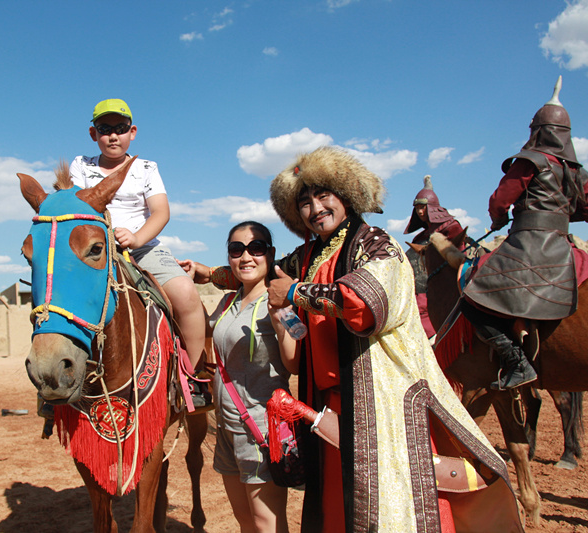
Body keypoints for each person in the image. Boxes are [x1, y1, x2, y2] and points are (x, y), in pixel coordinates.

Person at [200, 147, 522, 531]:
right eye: (304, 202)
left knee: (390, 503)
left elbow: (366, 303)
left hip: (379, 400)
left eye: (323, 196)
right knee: (339, 506)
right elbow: (262, 271)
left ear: (345, 196)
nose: (315, 208)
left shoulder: (376, 243)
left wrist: (296, 294)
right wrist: (211, 274)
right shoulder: (310, 255)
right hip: (329, 403)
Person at [70, 98, 210, 406]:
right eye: (104, 129)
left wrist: (135, 237)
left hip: (143, 248)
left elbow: (160, 212)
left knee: (186, 294)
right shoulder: (81, 166)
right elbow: (78, 209)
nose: (113, 136)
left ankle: (193, 376)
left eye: (120, 128)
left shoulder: (146, 168)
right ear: (94, 134)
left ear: (132, 132)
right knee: (58, 299)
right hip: (97, 251)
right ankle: (58, 382)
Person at [462, 76, 588, 390]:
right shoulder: (576, 171)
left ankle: (517, 363)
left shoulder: (530, 160)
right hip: (564, 245)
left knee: (473, 298)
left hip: (529, 245)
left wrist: (497, 219)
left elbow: (500, 200)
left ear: (536, 130)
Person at [181, 221, 298, 533]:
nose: (246, 256)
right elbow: (204, 332)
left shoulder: (279, 301)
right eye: (237, 249)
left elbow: (295, 362)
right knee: (246, 522)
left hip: (261, 429)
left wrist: (279, 319)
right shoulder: (229, 300)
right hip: (227, 428)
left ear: (270, 254)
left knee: (267, 524)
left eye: (255, 248)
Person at [403, 176, 465, 339]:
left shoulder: (451, 227)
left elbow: (459, 257)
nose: (420, 212)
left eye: (423, 207)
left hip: (448, 289)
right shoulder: (421, 237)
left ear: (432, 207)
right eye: (417, 208)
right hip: (422, 292)